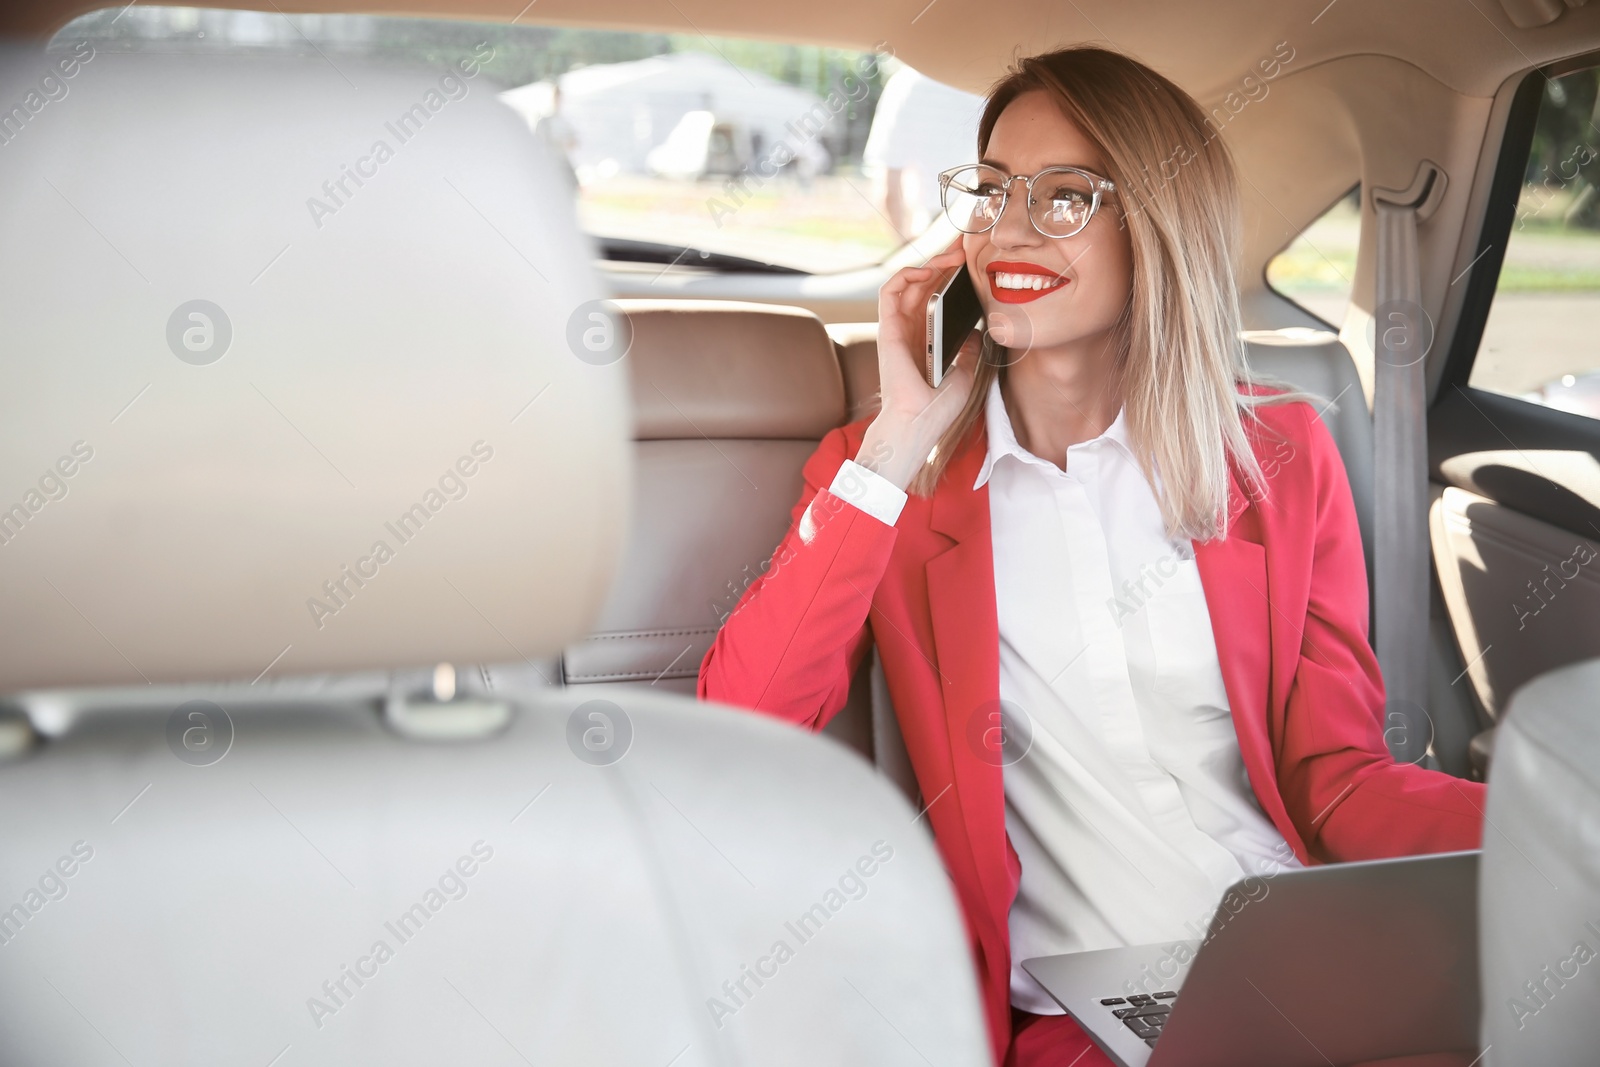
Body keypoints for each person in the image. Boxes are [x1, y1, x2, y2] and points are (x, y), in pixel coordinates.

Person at [699, 45, 1485, 1067]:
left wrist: (1531, 829)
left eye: (1065, 196)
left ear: (1159, 228)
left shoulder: (1280, 462)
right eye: (989, 191)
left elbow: (1335, 773)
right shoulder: (898, 477)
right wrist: (897, 435)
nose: (1010, 227)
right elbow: (740, 728)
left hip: (1305, 960)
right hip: (1085, 1024)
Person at [863, 62, 986, 239]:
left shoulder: (904, 85)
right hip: (984, 220)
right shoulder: (988, 83)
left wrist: (905, 244)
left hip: (929, 228)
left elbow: (887, 183)